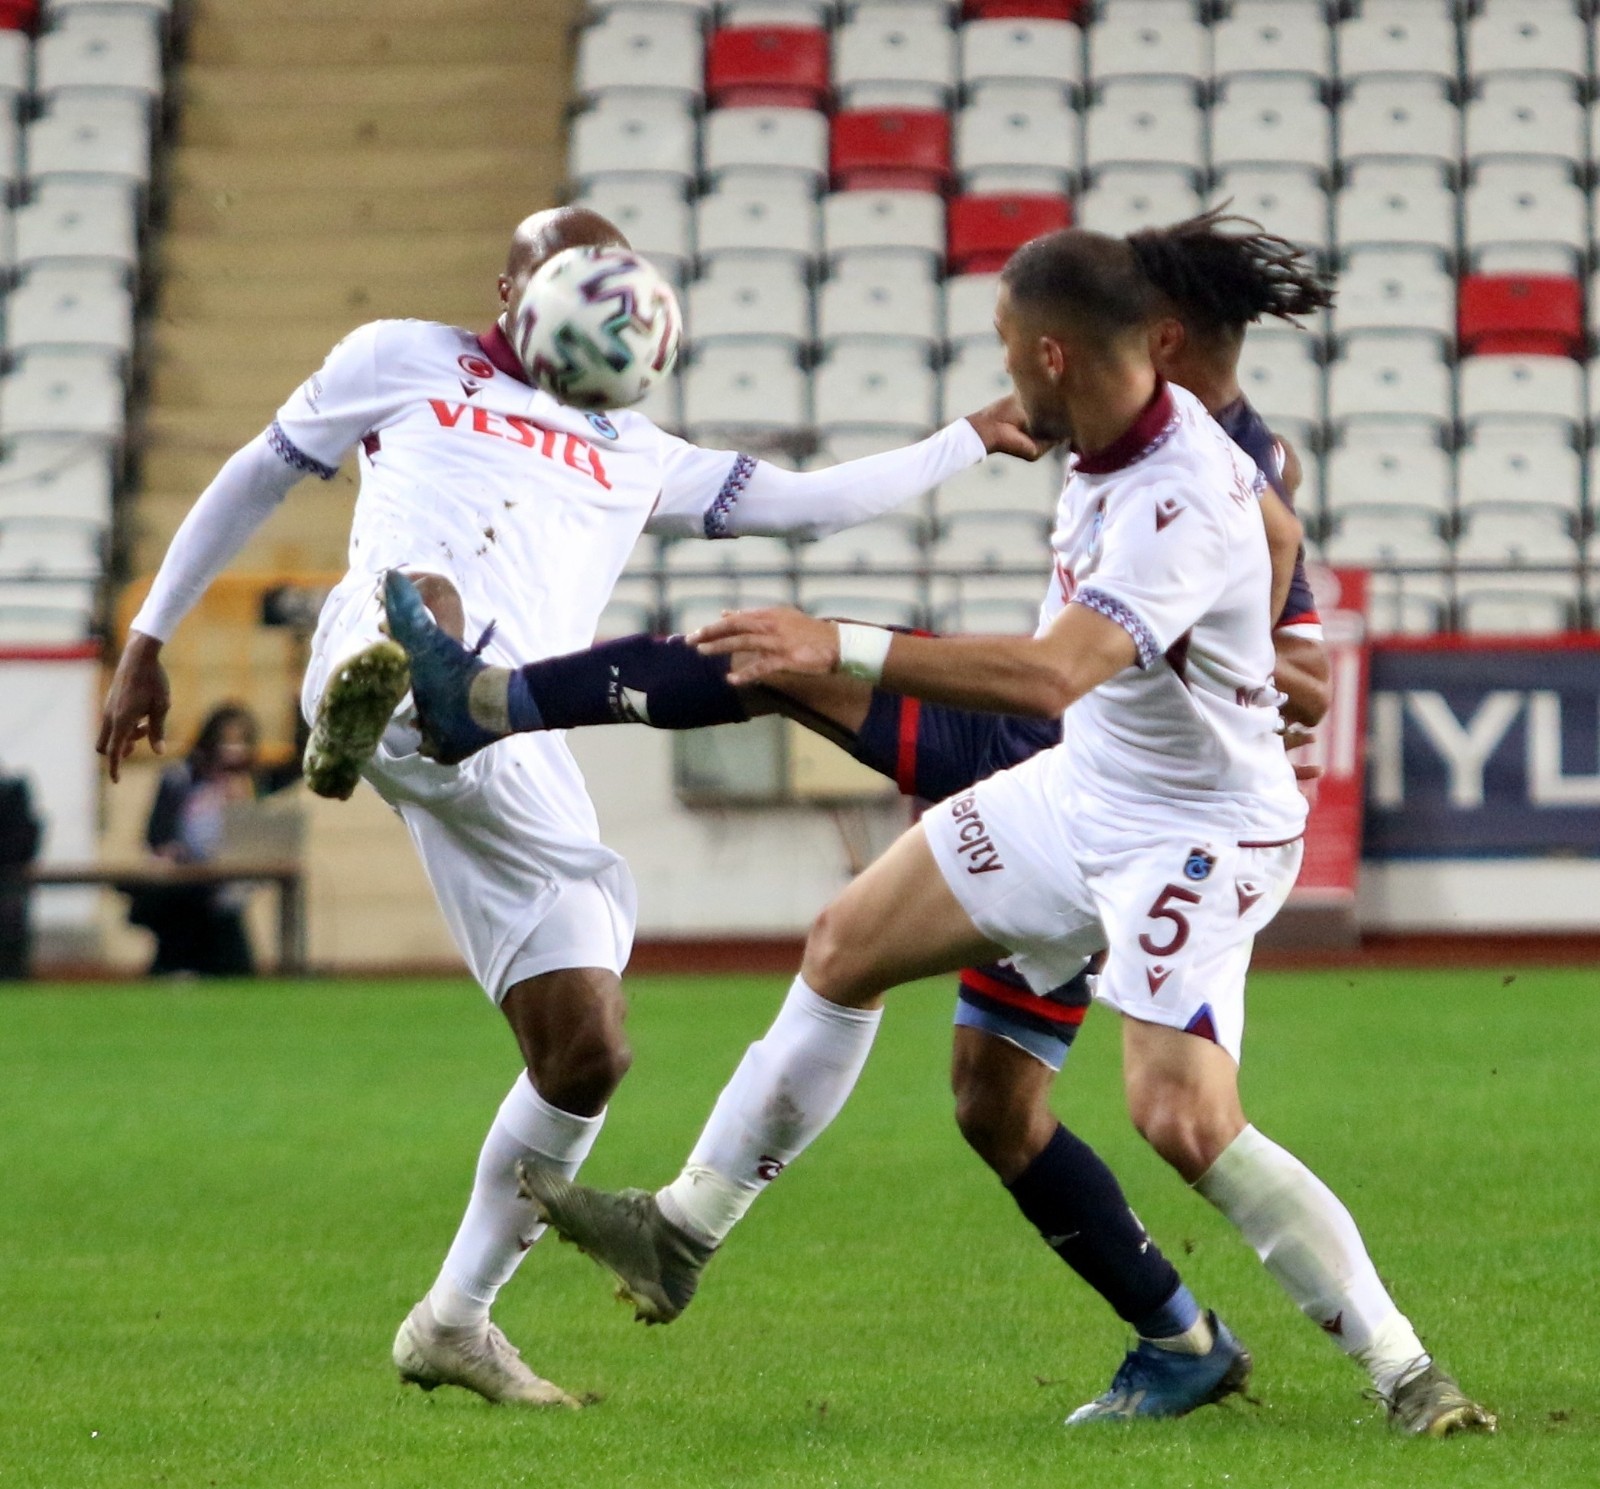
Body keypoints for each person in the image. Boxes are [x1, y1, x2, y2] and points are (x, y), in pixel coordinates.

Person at [388, 227, 1494, 1437]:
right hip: (1080, 791)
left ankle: (1406, 1373)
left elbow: (1050, 675)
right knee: (849, 948)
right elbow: (1272, 536)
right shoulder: (1142, 427)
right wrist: (1281, 632)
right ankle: (681, 1229)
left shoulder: (1183, 489)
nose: (1002, 376)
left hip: (1195, 832)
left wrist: (843, 644)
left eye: (1009, 351)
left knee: (1179, 1115)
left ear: (1057, 355)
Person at [95, 205, 1051, 1408]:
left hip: (516, 732)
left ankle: (455, 1319)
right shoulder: (400, 357)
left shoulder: (636, 450)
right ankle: (369, 690)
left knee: (587, 1049)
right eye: (551, 275)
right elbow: (255, 474)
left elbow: (812, 501)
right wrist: (147, 636)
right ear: (508, 288)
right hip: (400, 634)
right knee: (418, 598)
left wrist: (965, 436)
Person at [128, 702, 286, 977]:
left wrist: (243, 803)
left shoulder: (250, 784)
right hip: (185, 892)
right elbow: (157, 835)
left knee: (237, 973)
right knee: (176, 964)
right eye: (227, 741)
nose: (233, 750)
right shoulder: (181, 778)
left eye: (241, 742)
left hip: (226, 894)